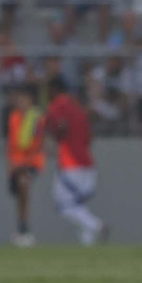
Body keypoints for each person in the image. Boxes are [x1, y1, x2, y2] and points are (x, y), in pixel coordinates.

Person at [42, 76, 105, 246]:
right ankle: (87, 244)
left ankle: (96, 225)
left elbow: (59, 126)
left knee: (64, 205)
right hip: (87, 161)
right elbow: (88, 137)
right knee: (77, 205)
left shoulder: (57, 106)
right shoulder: (77, 107)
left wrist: (52, 136)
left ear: (53, 90)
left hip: (71, 162)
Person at [5, 85, 46, 246]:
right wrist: (11, 163)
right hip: (15, 163)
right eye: (19, 99)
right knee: (18, 194)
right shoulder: (13, 117)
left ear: (31, 101)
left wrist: (20, 164)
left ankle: (25, 229)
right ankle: (21, 228)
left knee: (23, 184)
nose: (21, 102)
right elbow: (11, 144)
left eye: (24, 100)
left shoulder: (37, 118)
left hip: (31, 161)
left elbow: (37, 145)